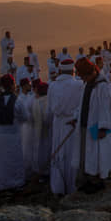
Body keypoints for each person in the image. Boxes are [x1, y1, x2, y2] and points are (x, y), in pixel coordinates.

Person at [74, 58, 111, 192]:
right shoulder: (88, 84)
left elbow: (105, 108)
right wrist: (75, 118)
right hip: (85, 124)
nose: (82, 78)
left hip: (98, 126)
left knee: (97, 154)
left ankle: (98, 181)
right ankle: (88, 179)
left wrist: (103, 127)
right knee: (86, 154)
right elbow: (82, 104)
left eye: (82, 75)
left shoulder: (102, 86)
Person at [48, 59, 83, 195]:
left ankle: (58, 187)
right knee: (71, 154)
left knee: (58, 154)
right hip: (72, 124)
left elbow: (50, 108)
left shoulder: (52, 86)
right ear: (73, 71)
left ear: (60, 70)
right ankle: (72, 187)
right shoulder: (79, 85)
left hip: (58, 124)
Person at [0, 74, 30, 190]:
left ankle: (1, 181)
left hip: (1, 136)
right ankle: (15, 182)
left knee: (1, 160)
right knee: (14, 160)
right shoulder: (18, 101)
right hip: (14, 135)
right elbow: (25, 117)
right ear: (12, 85)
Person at [31, 81, 52, 180]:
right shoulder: (49, 101)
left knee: (41, 151)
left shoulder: (36, 102)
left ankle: (42, 171)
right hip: (49, 131)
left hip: (39, 132)